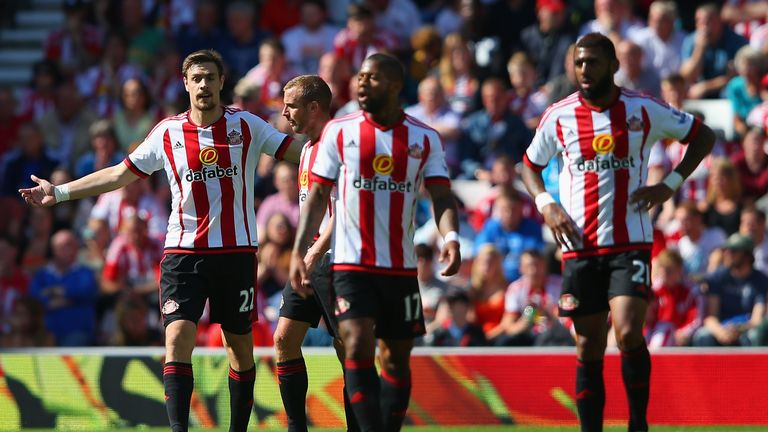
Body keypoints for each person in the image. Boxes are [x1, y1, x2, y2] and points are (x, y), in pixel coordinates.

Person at [19, 49, 303, 432]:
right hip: (182, 254)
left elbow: (296, 153)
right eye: (196, 78)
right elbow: (120, 174)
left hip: (236, 253)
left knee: (239, 347)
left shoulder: (248, 126)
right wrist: (62, 192)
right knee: (177, 337)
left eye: (210, 77)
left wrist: (340, 155)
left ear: (222, 82)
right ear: (185, 85)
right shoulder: (168, 132)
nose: (203, 84)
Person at [520, 33, 716, 432]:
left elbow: (702, 137)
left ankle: (637, 423)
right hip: (580, 247)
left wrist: (670, 185)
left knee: (627, 332)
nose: (584, 70)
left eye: (592, 62)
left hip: (631, 243)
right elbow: (528, 165)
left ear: (613, 65)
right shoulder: (559, 115)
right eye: (578, 63)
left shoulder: (643, 109)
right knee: (588, 344)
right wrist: (547, 204)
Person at [289, 53, 461, 431]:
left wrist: (450, 236)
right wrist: (301, 250)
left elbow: (442, 196)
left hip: (399, 267)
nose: (362, 83)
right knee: (354, 343)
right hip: (350, 264)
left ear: (396, 86)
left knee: (396, 359)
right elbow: (317, 197)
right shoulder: (339, 132)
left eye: (373, 78)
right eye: (360, 77)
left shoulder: (423, 137)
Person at [273, 75, 359, 432]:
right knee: (283, 339)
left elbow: (344, 211)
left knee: (349, 352)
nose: (283, 112)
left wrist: (313, 254)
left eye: (290, 105)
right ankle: (297, 427)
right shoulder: (306, 149)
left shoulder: (338, 146)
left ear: (313, 107)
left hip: (338, 260)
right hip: (310, 259)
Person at [693, 233, 767, 346]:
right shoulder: (718, 277)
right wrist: (720, 332)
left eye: (733, 251)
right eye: (725, 250)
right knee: (703, 336)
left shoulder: (760, 281)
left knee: (754, 336)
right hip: (721, 327)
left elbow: (757, 320)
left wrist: (739, 329)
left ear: (747, 255)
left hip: (745, 329)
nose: (726, 254)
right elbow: (711, 316)